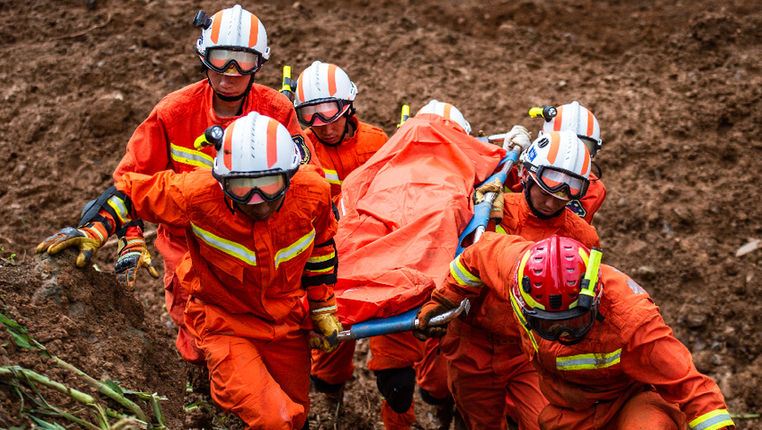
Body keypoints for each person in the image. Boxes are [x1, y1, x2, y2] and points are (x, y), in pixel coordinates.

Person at [37, 112, 340, 430]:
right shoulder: (197, 193)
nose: (258, 202)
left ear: (291, 173)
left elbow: (321, 248)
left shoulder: (313, 194)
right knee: (272, 420)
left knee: (298, 415)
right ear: (222, 179)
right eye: (241, 188)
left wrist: (322, 307)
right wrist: (95, 229)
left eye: (268, 185)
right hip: (225, 323)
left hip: (286, 322)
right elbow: (129, 193)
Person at [108, 4, 320, 364]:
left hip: (255, 239)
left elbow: (303, 178)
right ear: (203, 57)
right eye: (220, 59)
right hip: (185, 246)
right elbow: (130, 181)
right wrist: (129, 237)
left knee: (269, 330)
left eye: (243, 61)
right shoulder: (173, 114)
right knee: (196, 335)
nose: (229, 74)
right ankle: (202, 397)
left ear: (260, 63)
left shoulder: (278, 111)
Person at [417, 235, 735, 430]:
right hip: (570, 412)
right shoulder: (513, 266)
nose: (564, 334)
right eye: (549, 326)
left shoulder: (631, 320)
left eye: (575, 321)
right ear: (520, 303)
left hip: (628, 403)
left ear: (594, 298)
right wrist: (445, 299)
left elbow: (693, 387)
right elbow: (474, 256)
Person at [414, 130, 600, 430]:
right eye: (545, 190)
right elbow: (462, 261)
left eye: (563, 195)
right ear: (526, 174)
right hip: (471, 345)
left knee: (545, 422)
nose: (552, 203)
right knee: (481, 424)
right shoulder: (487, 211)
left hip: (530, 349)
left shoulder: (583, 237)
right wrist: (442, 304)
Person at [294, 61, 389, 204]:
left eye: (334, 121)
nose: (327, 131)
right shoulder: (303, 150)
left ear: (348, 111)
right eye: (318, 125)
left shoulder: (377, 142)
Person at [529, 101, 606, 224]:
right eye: (559, 142)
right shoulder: (523, 166)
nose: (574, 152)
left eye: (584, 145)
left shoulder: (594, 190)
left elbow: (571, 228)